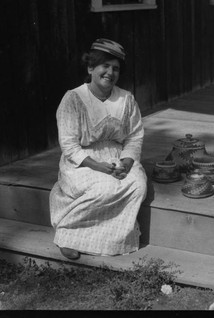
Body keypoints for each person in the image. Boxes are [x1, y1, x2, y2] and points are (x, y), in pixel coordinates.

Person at [49, 38, 147, 260]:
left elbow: (134, 136)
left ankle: (112, 240)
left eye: (116, 68)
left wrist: (127, 162)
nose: (110, 73)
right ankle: (68, 233)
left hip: (116, 156)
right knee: (104, 189)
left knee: (137, 185)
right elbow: (69, 145)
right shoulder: (73, 99)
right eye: (105, 66)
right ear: (91, 68)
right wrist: (99, 167)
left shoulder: (126, 99)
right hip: (82, 161)